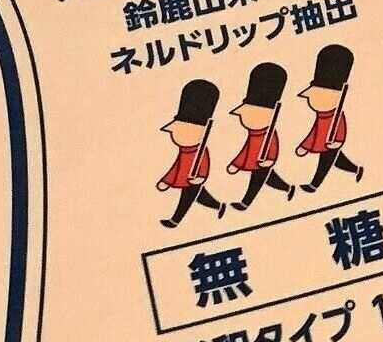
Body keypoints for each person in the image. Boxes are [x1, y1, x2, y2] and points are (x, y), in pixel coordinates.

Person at [156, 78, 225, 227]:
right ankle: (219, 206)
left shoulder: (200, 151)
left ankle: (175, 220)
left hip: (194, 179)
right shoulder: (184, 150)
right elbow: (177, 166)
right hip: (186, 178)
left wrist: (200, 177)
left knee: (187, 199)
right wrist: (166, 180)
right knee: (201, 197)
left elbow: (204, 164)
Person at [228, 61, 295, 211]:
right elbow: (247, 150)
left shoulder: (269, 133)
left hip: (263, 162)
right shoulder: (253, 134)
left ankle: (246, 202)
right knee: (270, 179)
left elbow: (273, 147)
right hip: (256, 161)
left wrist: (269, 159)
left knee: (257, 180)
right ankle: (287, 188)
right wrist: (237, 164)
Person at [297, 43, 364, 192]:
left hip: (332, 143)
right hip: (324, 142)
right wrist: (305, 146)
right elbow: (315, 132)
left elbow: (341, 129)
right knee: (338, 161)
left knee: (325, 162)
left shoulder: (336, 115)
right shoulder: (321, 116)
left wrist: (337, 141)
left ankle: (314, 185)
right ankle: (356, 169)